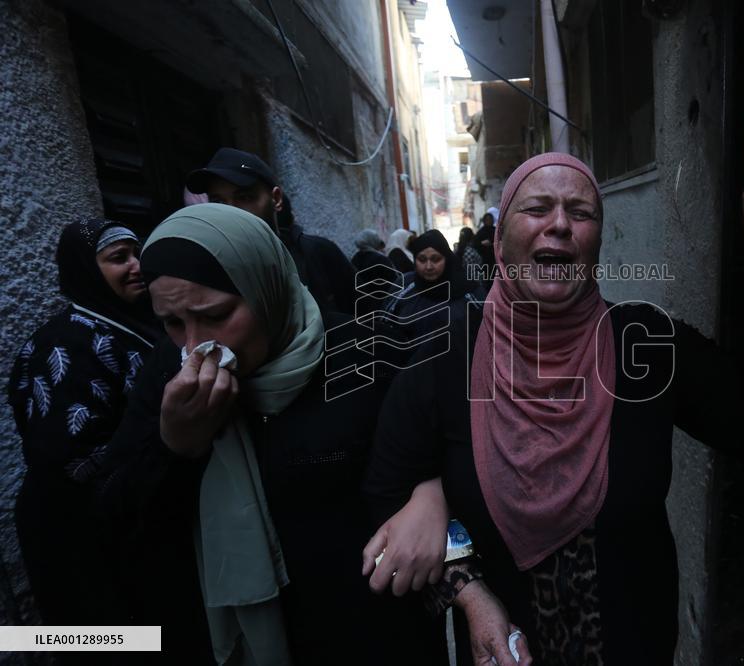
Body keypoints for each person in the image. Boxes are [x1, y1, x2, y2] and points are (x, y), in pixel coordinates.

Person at [364, 86, 744, 665]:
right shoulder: (442, 354)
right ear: (500, 239)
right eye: (536, 208)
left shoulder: (643, 345)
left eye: (581, 212)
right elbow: (385, 500)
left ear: (597, 242)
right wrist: (469, 592)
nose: (559, 225)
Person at [95, 204, 447, 665]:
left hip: (370, 635)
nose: (196, 344)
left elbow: (451, 456)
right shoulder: (166, 373)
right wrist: (174, 446)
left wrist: (434, 495)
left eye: (216, 314)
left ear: (267, 290)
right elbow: (118, 513)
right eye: (173, 323)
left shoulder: (365, 355)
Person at [7, 220, 163, 631]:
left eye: (137, 253)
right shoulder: (66, 342)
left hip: (130, 523)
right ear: (84, 270)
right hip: (77, 532)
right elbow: (67, 453)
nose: (136, 265)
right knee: (107, 643)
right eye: (118, 258)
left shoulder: (141, 323)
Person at [186, 147, 358, 314]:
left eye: (244, 198)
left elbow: (368, 318)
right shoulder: (207, 272)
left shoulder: (319, 254)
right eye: (219, 202)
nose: (231, 211)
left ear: (276, 199)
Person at [380, 229, 485, 352]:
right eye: (422, 259)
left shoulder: (469, 292)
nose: (429, 266)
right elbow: (385, 327)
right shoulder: (405, 288)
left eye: (436, 259)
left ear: (446, 258)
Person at [351, 229, 401, 318]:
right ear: (372, 241)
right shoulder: (380, 259)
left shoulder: (355, 259)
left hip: (361, 307)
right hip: (382, 305)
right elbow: (395, 282)